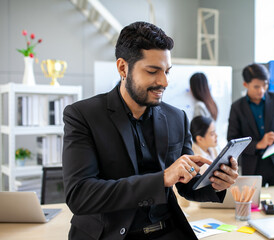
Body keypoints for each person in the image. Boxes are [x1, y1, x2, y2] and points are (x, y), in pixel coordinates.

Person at [62, 21, 238, 240]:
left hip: (169, 231)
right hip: (110, 235)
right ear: (122, 68)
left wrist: (216, 182)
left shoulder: (176, 118)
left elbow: (187, 186)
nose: (164, 81)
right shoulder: (83, 115)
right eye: (153, 71)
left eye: (166, 71)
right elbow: (80, 195)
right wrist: (162, 179)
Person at [227, 63, 274, 189]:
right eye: (256, 87)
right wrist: (258, 144)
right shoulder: (237, 107)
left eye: (265, 85)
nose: (262, 90)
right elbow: (232, 140)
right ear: (245, 85)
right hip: (253, 166)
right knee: (255, 206)